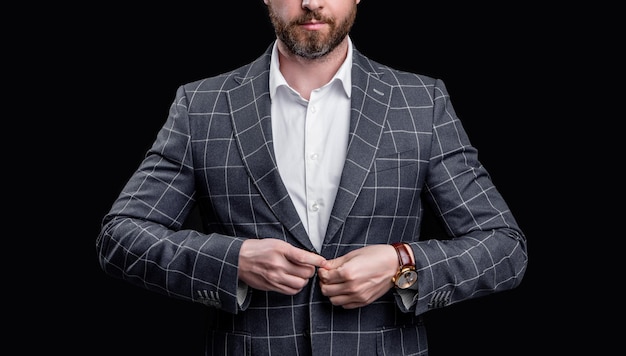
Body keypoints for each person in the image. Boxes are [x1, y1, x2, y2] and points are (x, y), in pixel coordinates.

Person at [96, 0, 528, 354]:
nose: (312, 3)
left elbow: (504, 247)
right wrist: (233, 260)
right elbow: (120, 237)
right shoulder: (201, 105)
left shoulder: (420, 102)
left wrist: (402, 264)